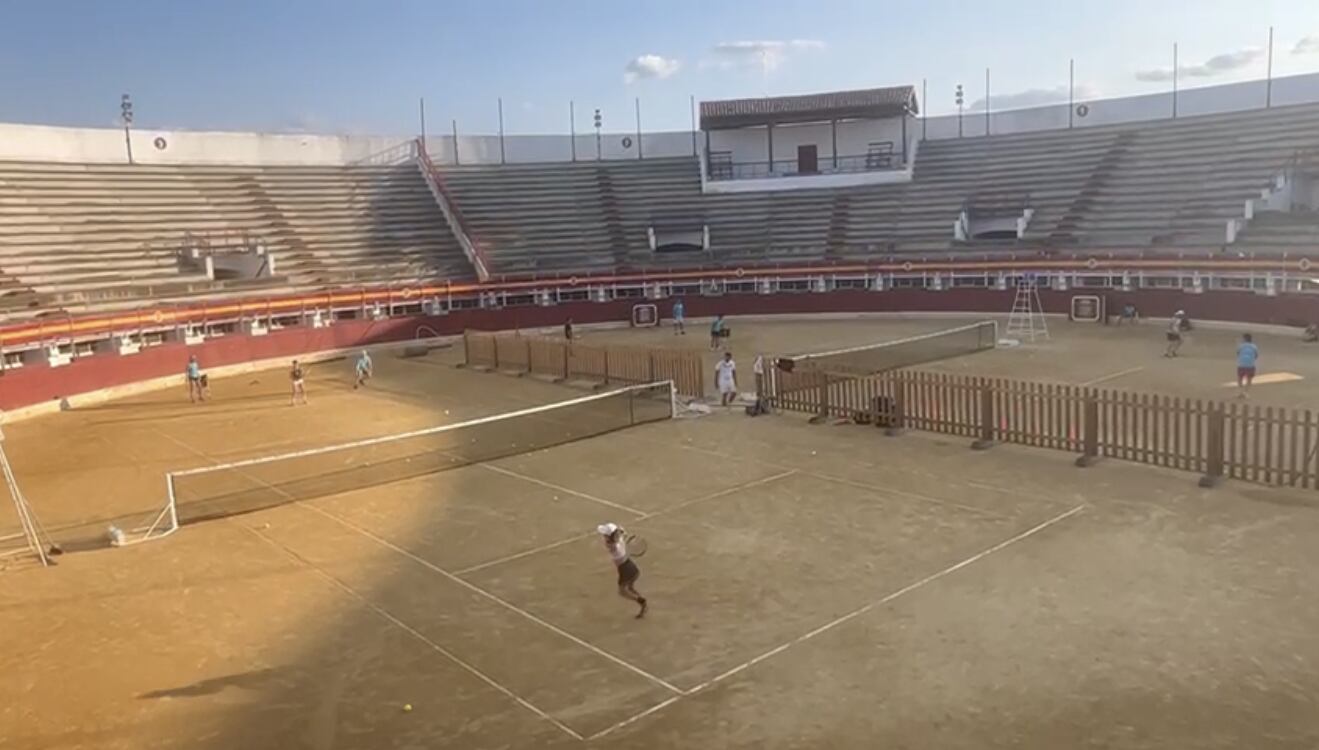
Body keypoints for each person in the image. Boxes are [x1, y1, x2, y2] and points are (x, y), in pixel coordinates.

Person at [598, 523, 647, 618]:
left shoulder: (611, 546)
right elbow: (620, 532)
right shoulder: (619, 538)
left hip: (625, 570)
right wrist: (619, 531)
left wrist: (618, 532)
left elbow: (612, 541)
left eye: (605, 534)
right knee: (630, 589)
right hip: (631, 567)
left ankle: (641, 601)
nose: (603, 536)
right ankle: (642, 605)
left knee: (622, 591)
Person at [1236, 333, 1260, 400]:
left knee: (1240, 378)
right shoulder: (1254, 346)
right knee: (1249, 379)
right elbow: (1256, 355)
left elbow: (1238, 353)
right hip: (1250, 365)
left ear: (1244, 339)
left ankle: (1240, 391)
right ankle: (1246, 392)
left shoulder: (1241, 346)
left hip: (1241, 364)